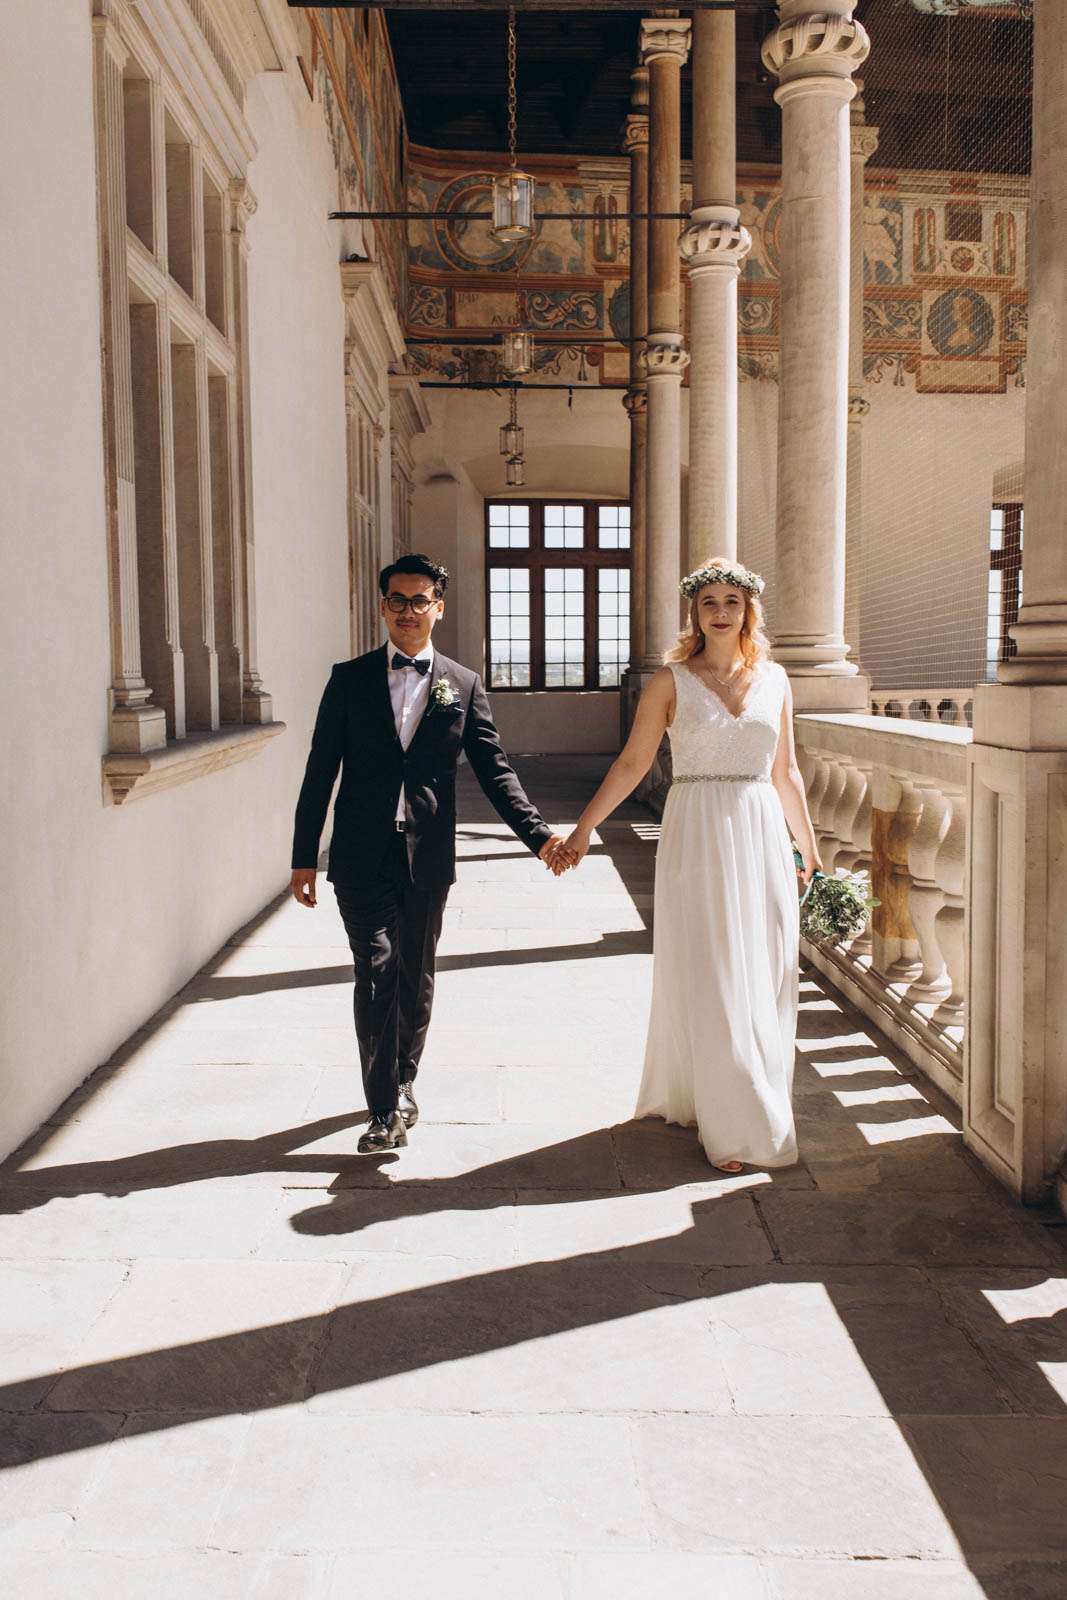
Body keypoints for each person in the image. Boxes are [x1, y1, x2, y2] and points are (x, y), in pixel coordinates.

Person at [290, 554, 569, 1154]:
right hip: (360, 855)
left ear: (438, 608)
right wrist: (303, 856)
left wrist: (540, 836)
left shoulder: (462, 685)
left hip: (428, 856)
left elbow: (495, 770)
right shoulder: (348, 679)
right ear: (382, 606)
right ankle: (383, 1110)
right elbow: (320, 772)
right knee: (376, 973)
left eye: (420, 601)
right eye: (398, 600)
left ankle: (404, 1079)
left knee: (414, 976)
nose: (408, 611)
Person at [561, 558, 821, 1173]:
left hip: (760, 832)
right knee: (714, 967)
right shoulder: (670, 681)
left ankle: (739, 1096)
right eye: (709, 602)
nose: (721, 611)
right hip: (698, 831)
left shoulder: (776, 679)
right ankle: (736, 1124)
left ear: (748, 610)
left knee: (762, 967)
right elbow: (632, 764)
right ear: (695, 613)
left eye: (732, 601)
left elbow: (786, 772)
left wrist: (809, 850)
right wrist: (583, 829)